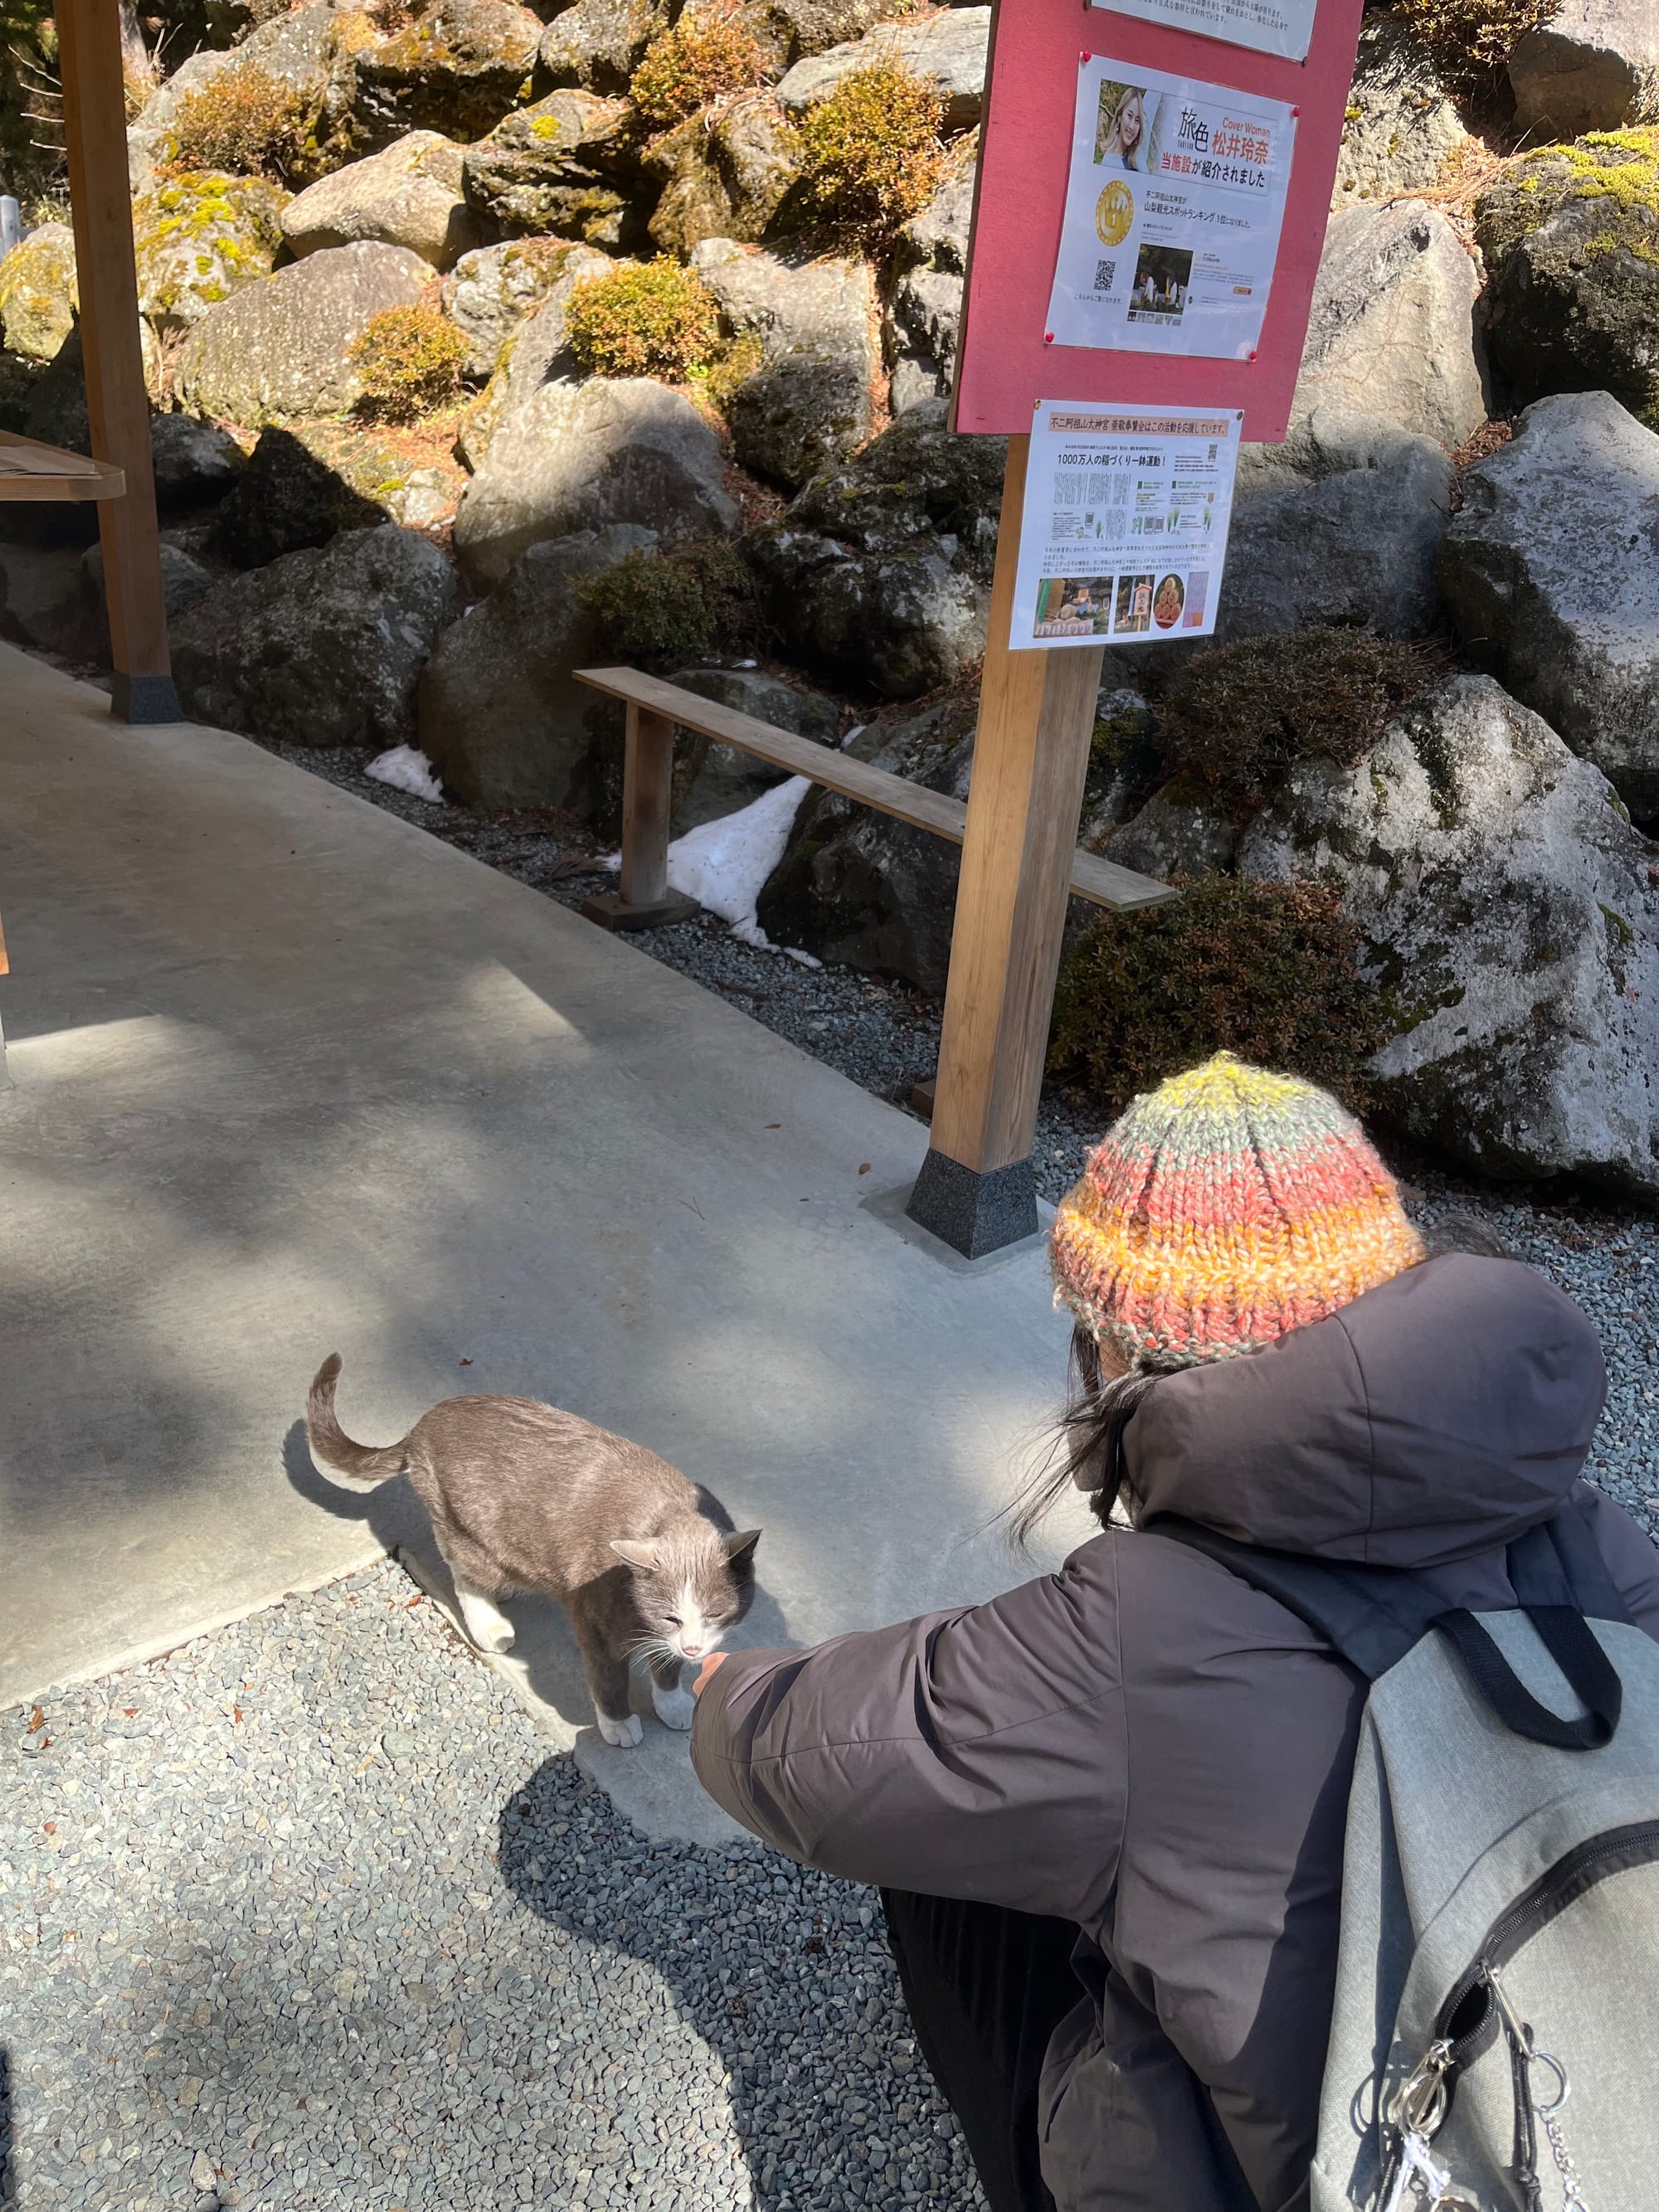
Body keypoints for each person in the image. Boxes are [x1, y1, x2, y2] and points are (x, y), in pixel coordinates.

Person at [690, 1054, 1659, 2212]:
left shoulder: (1136, 1631)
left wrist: (718, 1683)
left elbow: (809, 1761)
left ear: (1118, 1353)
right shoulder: (1602, 1544)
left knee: (951, 1851)